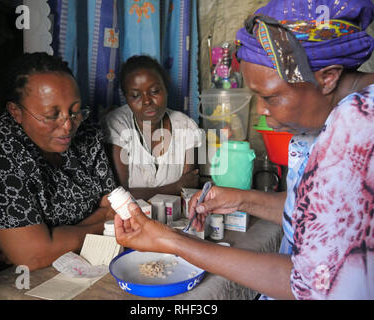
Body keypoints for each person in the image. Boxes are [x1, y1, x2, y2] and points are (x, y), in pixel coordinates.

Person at [114, 0, 374, 300]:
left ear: (327, 78)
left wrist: (174, 242)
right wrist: (242, 200)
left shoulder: (358, 130)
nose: (262, 111)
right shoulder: (330, 116)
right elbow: (316, 213)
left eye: (270, 97)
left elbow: (311, 283)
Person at [0, 52, 117, 283]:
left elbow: (111, 204)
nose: (68, 125)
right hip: (8, 278)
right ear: (16, 112)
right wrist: (105, 223)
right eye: (52, 116)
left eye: (74, 110)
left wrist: (50, 242)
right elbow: (33, 258)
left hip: (74, 262)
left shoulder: (86, 129)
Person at [102, 55, 202, 201]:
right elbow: (118, 195)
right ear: (126, 98)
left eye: (155, 91)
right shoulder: (117, 124)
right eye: (135, 95)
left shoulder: (186, 126)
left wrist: (181, 187)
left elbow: (188, 189)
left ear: (166, 89)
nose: (147, 100)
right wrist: (175, 187)